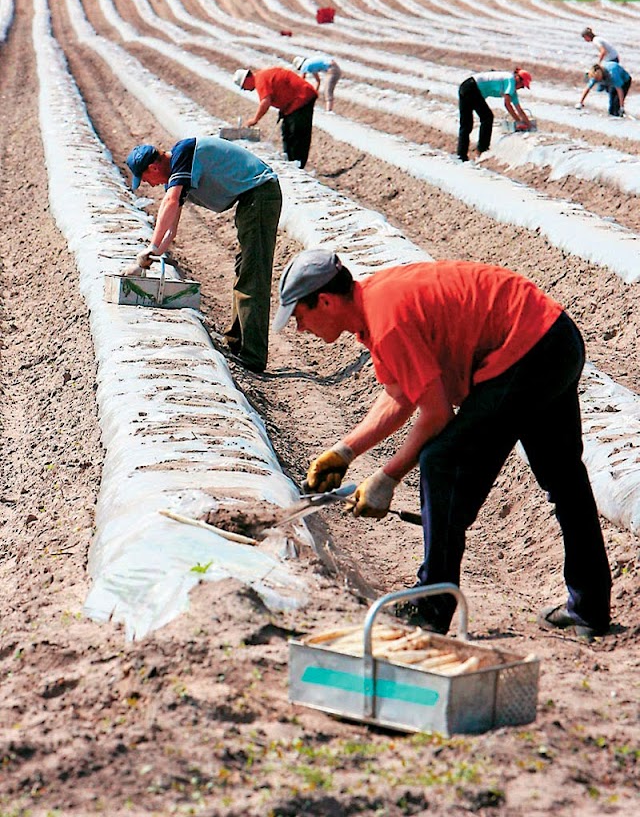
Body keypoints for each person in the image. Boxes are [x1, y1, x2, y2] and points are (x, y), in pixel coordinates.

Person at [273, 249, 612, 640]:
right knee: (562, 476)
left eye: (299, 316)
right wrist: (345, 451)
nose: (300, 329)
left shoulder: (387, 322)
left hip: (528, 350)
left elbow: (435, 416)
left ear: (326, 301)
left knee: (441, 462)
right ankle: (590, 608)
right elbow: (400, 395)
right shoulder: (375, 305)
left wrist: (387, 478)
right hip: (553, 335)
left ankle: (432, 603)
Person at [125, 136, 282, 373]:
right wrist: (153, 254)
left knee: (253, 274)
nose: (151, 185)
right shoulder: (180, 168)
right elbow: (172, 226)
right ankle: (236, 343)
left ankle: (253, 356)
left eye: (147, 179)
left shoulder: (184, 153)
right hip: (251, 199)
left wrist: (150, 247)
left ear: (153, 167)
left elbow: (171, 201)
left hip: (260, 196)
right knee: (244, 270)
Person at [233, 67, 317, 168]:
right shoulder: (262, 77)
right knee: (286, 132)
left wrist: (255, 119)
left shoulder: (260, 79)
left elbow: (265, 102)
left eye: (243, 87)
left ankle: (297, 164)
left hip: (303, 97)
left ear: (247, 79)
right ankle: (290, 161)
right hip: (293, 102)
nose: (246, 90)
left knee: (296, 133)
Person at [457, 69, 533, 162]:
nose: (520, 88)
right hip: (472, 87)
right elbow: (507, 105)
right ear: (518, 78)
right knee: (487, 118)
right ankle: (482, 150)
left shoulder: (512, 90)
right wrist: (518, 122)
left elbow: (519, 109)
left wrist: (528, 124)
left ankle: (461, 156)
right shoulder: (510, 80)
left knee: (466, 124)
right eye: (522, 85)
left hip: (467, 86)